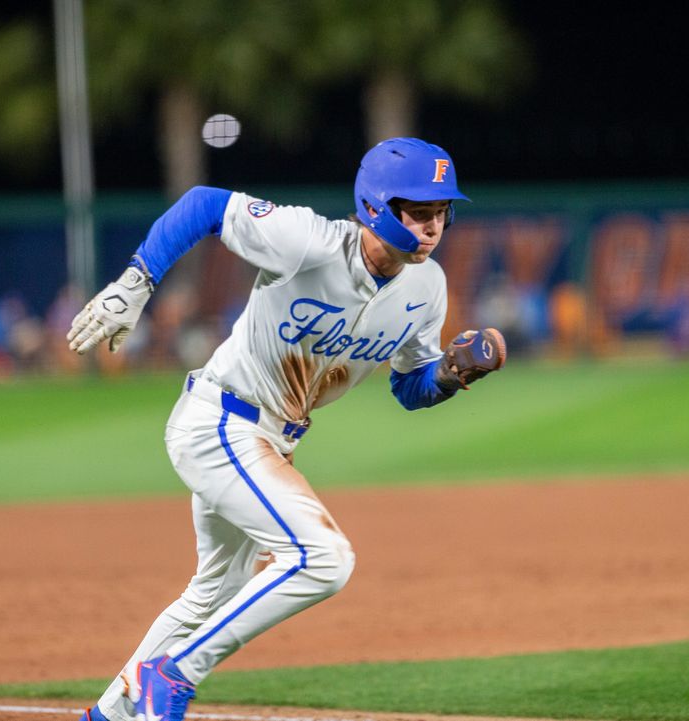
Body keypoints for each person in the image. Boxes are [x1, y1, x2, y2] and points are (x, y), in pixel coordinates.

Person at [67, 137, 506, 721]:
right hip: (219, 421)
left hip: (271, 442)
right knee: (324, 558)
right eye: (419, 211)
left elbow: (408, 387)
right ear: (376, 205)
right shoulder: (310, 242)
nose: (433, 226)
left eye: (441, 213)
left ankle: (108, 716)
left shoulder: (426, 289)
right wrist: (136, 282)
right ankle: (173, 674)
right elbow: (203, 204)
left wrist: (449, 374)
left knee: (211, 597)